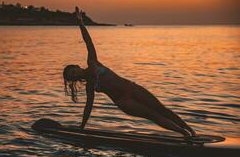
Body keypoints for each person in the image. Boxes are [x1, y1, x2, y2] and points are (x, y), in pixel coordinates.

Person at [63, 7, 196, 137]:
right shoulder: (90, 86)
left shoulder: (92, 62)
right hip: (124, 101)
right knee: (153, 115)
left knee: (162, 109)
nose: (75, 75)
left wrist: (81, 23)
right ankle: (183, 133)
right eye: (72, 77)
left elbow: (88, 42)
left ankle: (190, 130)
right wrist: (82, 127)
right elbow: (88, 107)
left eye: (73, 72)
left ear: (77, 66)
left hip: (132, 88)